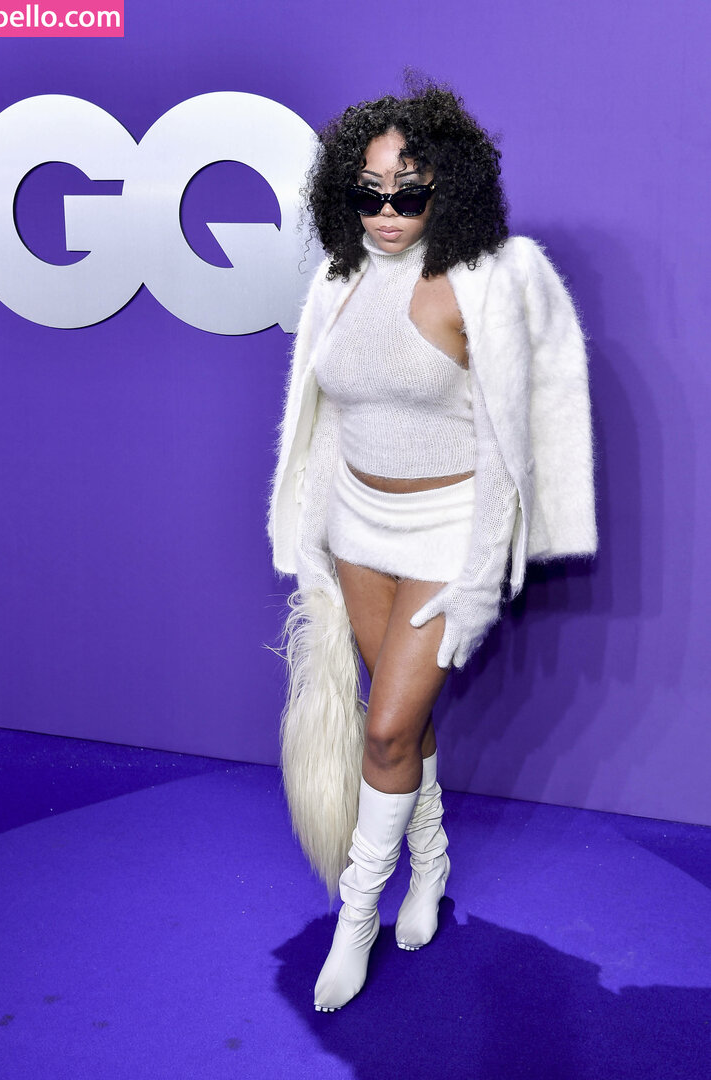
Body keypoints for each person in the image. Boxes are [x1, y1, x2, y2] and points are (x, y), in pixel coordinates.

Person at [267, 78, 597, 1012]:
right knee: (401, 723)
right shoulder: (336, 280)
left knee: (382, 731)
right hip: (357, 527)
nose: (386, 212)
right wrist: (315, 534)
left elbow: (506, 447)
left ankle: (355, 916)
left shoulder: (483, 283)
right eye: (367, 192)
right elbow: (326, 419)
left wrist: (480, 578)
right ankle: (431, 859)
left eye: (407, 193)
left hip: (445, 532)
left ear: (446, 190)